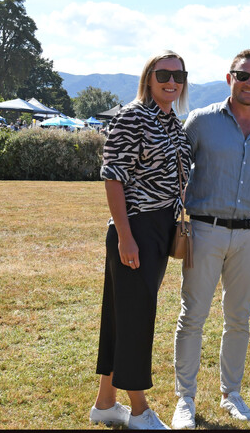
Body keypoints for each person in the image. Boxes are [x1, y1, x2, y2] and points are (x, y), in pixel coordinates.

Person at [171, 49, 250, 428]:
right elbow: (175, 168)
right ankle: (185, 400)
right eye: (243, 76)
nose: (249, 83)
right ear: (229, 78)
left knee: (238, 319)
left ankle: (231, 394)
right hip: (204, 231)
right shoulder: (201, 121)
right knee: (193, 316)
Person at [90, 50, 191, 430]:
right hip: (135, 226)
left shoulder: (171, 121)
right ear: (149, 76)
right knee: (136, 317)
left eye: (178, 75)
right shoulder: (133, 116)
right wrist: (126, 238)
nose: (172, 81)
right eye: (164, 73)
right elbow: (113, 177)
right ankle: (138, 410)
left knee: (120, 316)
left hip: (160, 227)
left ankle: (104, 402)